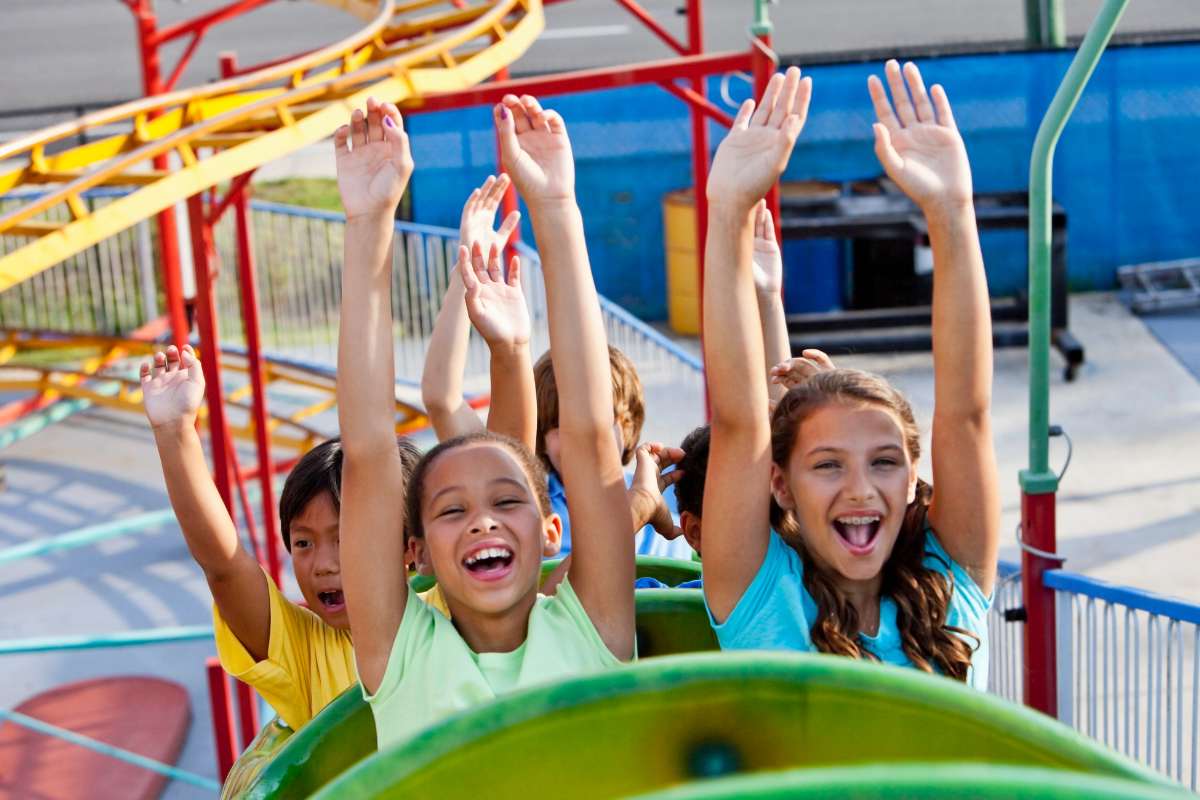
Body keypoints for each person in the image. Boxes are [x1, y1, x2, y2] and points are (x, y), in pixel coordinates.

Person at [334, 95, 635, 750]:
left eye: (507, 500)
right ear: (412, 552)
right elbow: (367, 451)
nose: (483, 521)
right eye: (450, 511)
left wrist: (556, 210)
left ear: (552, 528)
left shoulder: (593, 626)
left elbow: (589, 437)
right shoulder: (401, 654)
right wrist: (368, 224)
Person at [701, 62, 999, 688]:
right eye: (828, 465)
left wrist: (950, 211)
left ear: (913, 475)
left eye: (884, 462)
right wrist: (727, 210)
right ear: (780, 486)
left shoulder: (948, 588)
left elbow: (966, 414)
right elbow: (738, 422)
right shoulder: (764, 599)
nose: (861, 488)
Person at [139, 345, 415, 728]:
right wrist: (175, 431)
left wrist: (508, 352)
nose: (322, 565)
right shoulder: (305, 650)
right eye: (303, 543)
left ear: (409, 545)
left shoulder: (446, 611)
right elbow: (225, 567)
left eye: (344, 539)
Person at [534, 346, 694, 559]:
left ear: (626, 426)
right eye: (561, 425)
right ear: (541, 437)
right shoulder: (533, 512)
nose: (581, 438)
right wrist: (639, 507)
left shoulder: (673, 490)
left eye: (598, 422)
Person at [420, 173, 533, 450]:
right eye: (553, 424)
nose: (563, 436)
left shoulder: (612, 489)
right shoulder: (518, 480)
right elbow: (442, 400)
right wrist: (467, 267)